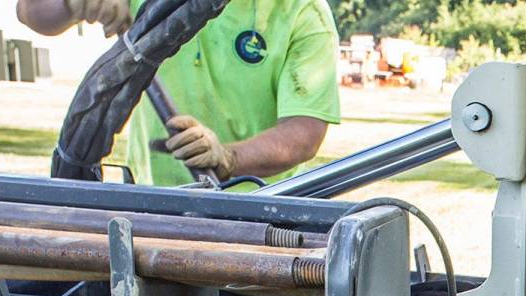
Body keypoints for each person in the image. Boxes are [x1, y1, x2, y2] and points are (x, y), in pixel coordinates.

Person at [18, 0, 340, 186]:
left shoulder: (302, 11)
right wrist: (71, 3)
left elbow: (303, 132)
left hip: (253, 216)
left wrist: (228, 158)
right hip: (148, 205)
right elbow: (31, 11)